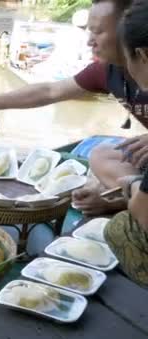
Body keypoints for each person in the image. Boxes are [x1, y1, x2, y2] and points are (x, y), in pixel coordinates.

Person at [0, 0, 145, 216]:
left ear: (127, 29)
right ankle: (130, 198)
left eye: (97, 32)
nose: (89, 41)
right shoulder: (107, 70)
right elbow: (50, 91)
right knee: (101, 155)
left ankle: (134, 201)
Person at [103, 0, 148, 287]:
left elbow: (143, 215)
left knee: (120, 228)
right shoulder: (104, 73)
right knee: (103, 155)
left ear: (142, 55)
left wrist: (130, 186)